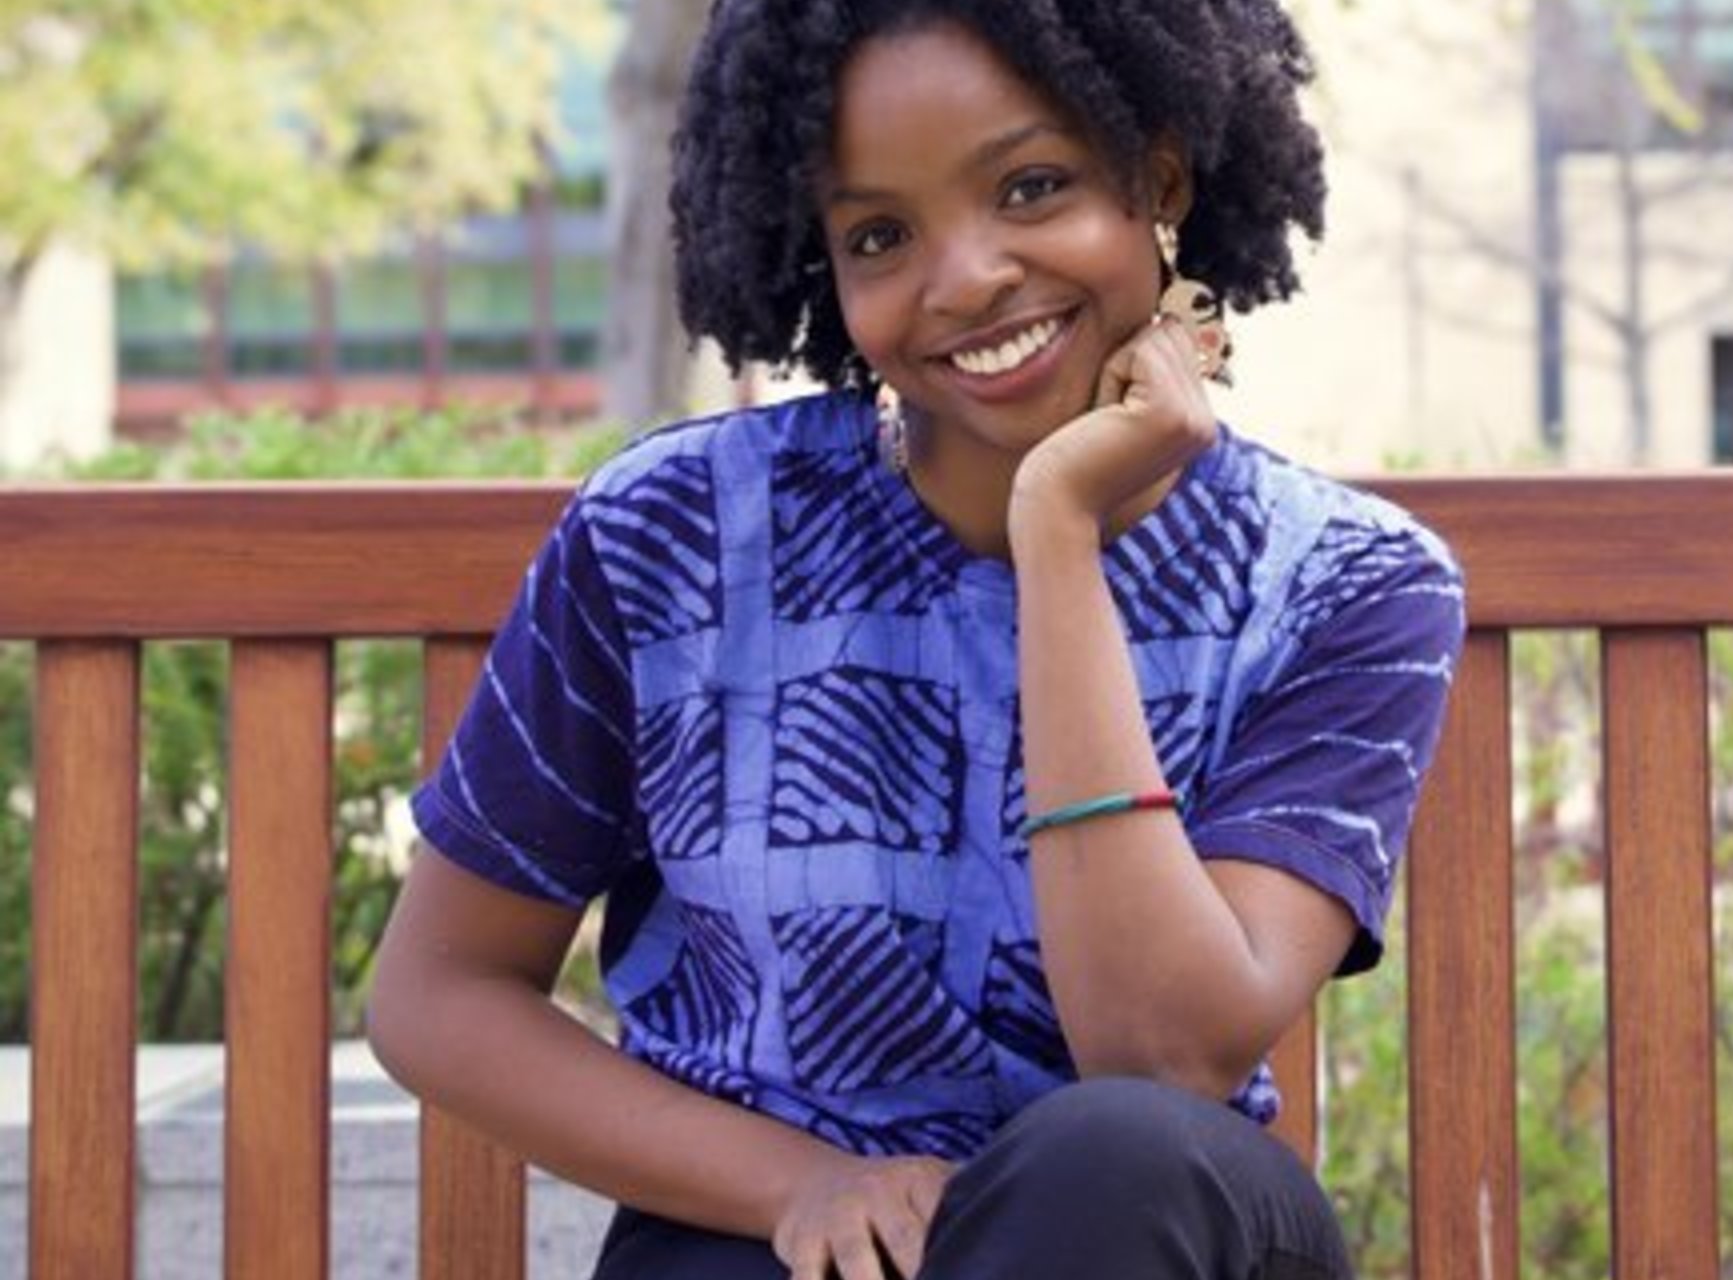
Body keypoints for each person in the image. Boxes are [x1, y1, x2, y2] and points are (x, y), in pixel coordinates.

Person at [368, 2, 1466, 1277]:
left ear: (1160, 181)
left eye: (1031, 185)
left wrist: (1057, 533)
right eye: (879, 235)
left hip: (1144, 1228)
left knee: (1116, 1152)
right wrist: (804, 1181)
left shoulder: (1344, 586)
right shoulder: (674, 533)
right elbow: (440, 990)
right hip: (773, 1232)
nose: (964, 278)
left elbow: (1163, 1055)